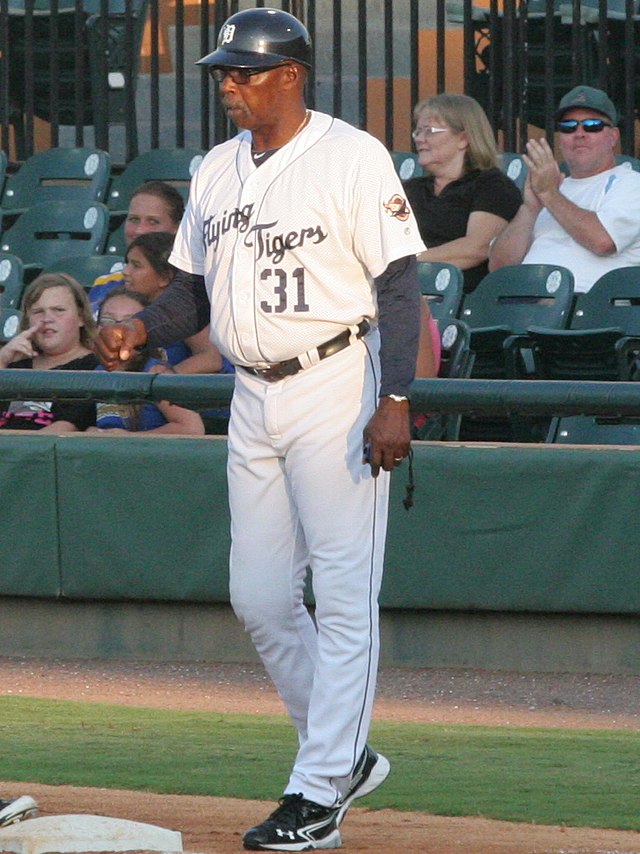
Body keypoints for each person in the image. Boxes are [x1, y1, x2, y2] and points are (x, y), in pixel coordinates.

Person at [95, 7, 426, 851]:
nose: (229, 86)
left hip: (336, 383)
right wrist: (144, 329)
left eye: (244, 72)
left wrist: (396, 397)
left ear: (291, 75)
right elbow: (192, 295)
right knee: (259, 595)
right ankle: (343, 753)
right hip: (254, 394)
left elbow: (396, 287)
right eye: (224, 73)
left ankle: (317, 790)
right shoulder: (214, 168)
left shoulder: (352, 156)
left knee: (346, 599)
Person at [489, 85, 640, 293]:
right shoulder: (549, 189)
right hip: (522, 305)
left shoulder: (631, 184)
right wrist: (529, 208)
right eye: (569, 126)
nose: (579, 133)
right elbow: (499, 267)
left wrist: (550, 195)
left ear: (613, 137)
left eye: (592, 125)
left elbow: (603, 241)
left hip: (588, 311)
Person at [89, 182, 225, 377]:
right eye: (134, 219)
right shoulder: (104, 285)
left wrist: (162, 380)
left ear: (178, 229)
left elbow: (211, 356)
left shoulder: (188, 292)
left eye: (153, 222)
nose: (140, 230)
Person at [404, 92, 522, 293]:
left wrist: (403, 263)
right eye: (418, 132)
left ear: (463, 139)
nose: (420, 139)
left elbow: (476, 248)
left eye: (430, 131)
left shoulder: (492, 186)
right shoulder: (411, 189)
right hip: (403, 294)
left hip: (459, 297)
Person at [88, 287, 205, 436]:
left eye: (127, 323)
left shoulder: (156, 372)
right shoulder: (96, 370)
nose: (117, 330)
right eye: (107, 320)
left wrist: (130, 438)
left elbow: (192, 428)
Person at [0, 273, 97, 431]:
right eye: (38, 311)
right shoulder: (14, 364)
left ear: (81, 317)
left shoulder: (92, 367)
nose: (47, 319)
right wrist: (2, 359)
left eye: (58, 310)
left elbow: (64, 429)